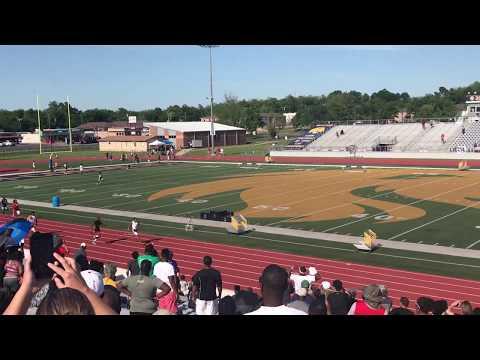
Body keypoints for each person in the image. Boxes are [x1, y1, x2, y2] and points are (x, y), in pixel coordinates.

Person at [153, 248, 178, 314]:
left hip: (159, 291)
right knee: (171, 312)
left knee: (161, 311)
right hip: (169, 292)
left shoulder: (156, 265)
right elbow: (171, 281)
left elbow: (155, 279)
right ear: (168, 256)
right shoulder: (170, 266)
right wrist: (176, 292)